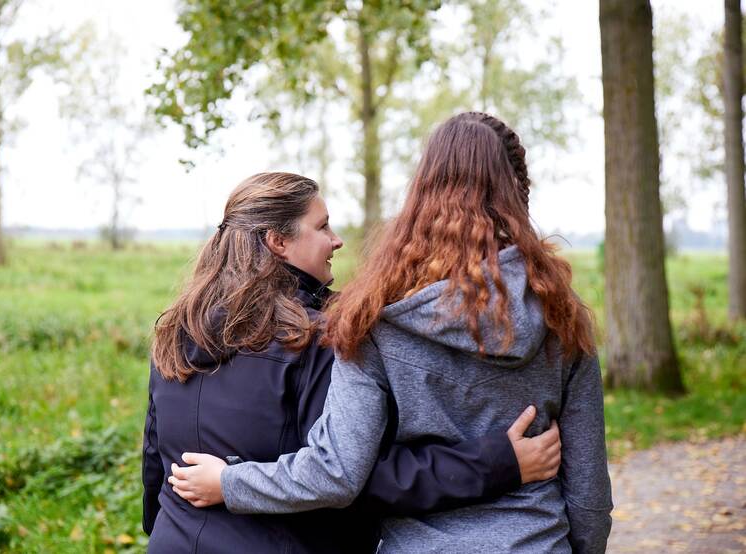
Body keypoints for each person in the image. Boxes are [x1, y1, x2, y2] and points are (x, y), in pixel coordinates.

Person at [169, 114, 614, 553]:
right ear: (519, 194)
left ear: (422, 193)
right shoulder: (562, 316)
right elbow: (589, 487)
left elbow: (338, 472)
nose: (336, 238)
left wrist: (230, 482)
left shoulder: (372, 322)